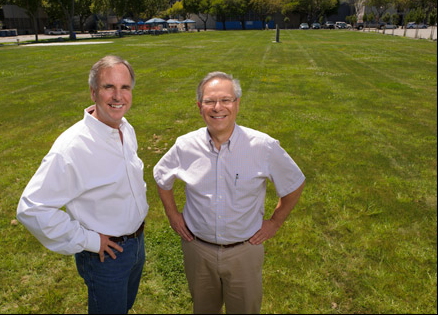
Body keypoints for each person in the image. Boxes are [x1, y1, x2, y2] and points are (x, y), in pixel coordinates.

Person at [153, 71, 305, 314]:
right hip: (198, 250)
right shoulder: (185, 145)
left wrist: (275, 223)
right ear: (199, 106)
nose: (217, 107)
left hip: (244, 252)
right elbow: (162, 178)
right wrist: (172, 215)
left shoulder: (263, 146)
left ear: (237, 104)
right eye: (209, 101)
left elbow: (295, 182)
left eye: (226, 100)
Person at [17, 55, 148, 314]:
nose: (118, 96)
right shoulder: (72, 148)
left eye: (125, 87)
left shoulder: (124, 128)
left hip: (136, 245)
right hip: (105, 255)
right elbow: (32, 209)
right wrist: (89, 240)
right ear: (93, 92)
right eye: (109, 87)